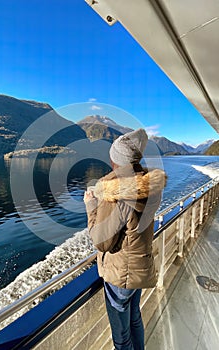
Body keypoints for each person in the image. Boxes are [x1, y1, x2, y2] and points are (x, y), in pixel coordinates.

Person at [84, 129, 166, 350]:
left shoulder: (120, 196)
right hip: (138, 267)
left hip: (121, 275)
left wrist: (92, 206)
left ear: (116, 161)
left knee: (121, 336)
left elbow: (102, 242)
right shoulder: (149, 186)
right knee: (135, 318)